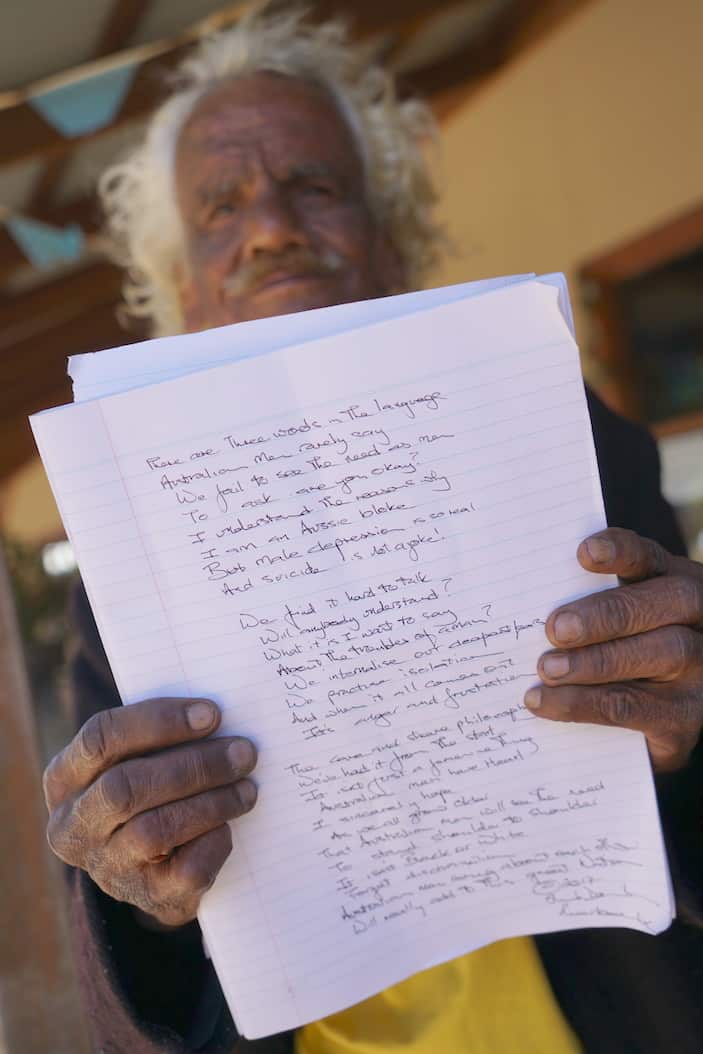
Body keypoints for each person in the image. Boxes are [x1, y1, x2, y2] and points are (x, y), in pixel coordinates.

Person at [42, 7, 703, 1053]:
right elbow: (137, 927)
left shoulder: (568, 437)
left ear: (389, 238)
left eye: (314, 185)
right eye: (220, 206)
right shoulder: (125, 558)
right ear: (184, 289)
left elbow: (683, 736)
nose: (271, 228)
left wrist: (692, 721)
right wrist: (136, 889)